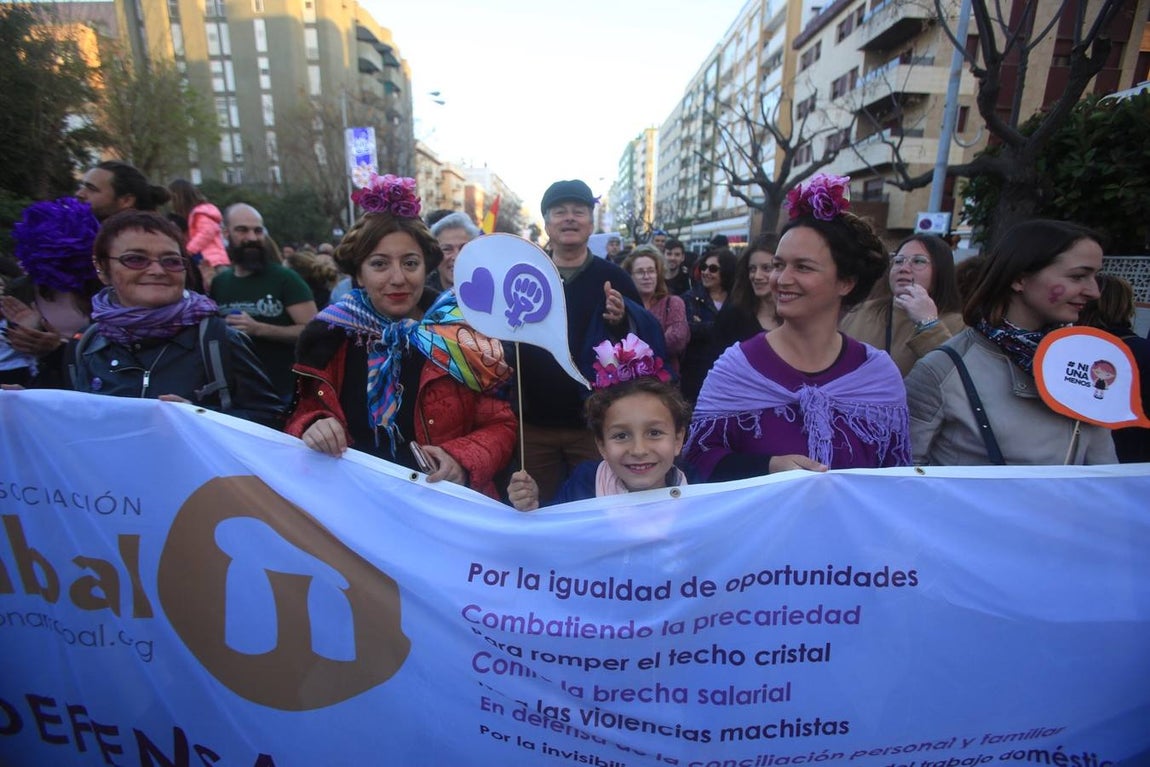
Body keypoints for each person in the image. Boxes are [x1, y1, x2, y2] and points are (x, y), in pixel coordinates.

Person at [285, 174, 517, 500]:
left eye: (410, 263)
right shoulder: (329, 337)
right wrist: (313, 424)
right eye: (379, 264)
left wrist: (460, 459)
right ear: (359, 273)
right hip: (359, 507)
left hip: (446, 507)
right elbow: (300, 411)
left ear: (426, 267)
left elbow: (501, 425)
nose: (398, 278)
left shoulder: (463, 332)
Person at [684, 173, 910, 480]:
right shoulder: (737, 369)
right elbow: (698, 463)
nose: (781, 279)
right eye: (779, 264)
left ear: (846, 281)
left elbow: (895, 477)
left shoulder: (877, 376)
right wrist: (765, 468)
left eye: (802, 267)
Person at [906, 219, 1116, 465]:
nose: (1094, 291)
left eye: (1095, 276)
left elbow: (1104, 474)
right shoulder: (942, 370)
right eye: (1078, 276)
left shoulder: (1089, 367)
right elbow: (906, 476)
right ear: (1019, 279)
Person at [57, 211, 283, 425]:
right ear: (102, 268)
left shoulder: (218, 339)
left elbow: (271, 418)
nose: (157, 270)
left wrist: (200, 417)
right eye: (135, 259)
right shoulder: (86, 346)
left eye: (171, 261)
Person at [518, 179, 665, 504]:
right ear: (546, 222)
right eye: (560, 212)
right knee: (534, 509)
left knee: (597, 508)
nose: (569, 218)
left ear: (591, 221)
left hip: (595, 427)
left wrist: (621, 320)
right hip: (532, 424)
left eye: (579, 211)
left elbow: (643, 347)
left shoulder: (614, 279)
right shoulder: (524, 273)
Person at [508, 334, 690, 509]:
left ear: (678, 440)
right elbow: (559, 528)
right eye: (621, 435)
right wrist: (533, 507)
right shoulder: (584, 484)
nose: (639, 450)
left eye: (654, 433)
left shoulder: (697, 489)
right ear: (601, 445)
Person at [210, 203, 318, 402]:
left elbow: (315, 332)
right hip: (235, 394)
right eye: (242, 230)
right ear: (225, 233)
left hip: (283, 392)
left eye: (258, 231)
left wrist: (259, 329)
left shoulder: (285, 279)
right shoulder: (219, 283)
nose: (251, 238)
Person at [2, 196, 103, 388]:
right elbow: (15, 356)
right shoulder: (21, 289)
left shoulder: (107, 290)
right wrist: (28, 332)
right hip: (47, 392)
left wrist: (59, 347)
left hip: (96, 388)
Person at [839, 233, 964, 376]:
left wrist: (929, 324)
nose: (903, 268)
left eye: (918, 261)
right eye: (898, 261)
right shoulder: (860, 312)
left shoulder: (958, 324)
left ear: (940, 271)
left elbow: (953, 377)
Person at [1077, 274, 1149, 463]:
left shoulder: (1067, 349)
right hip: (1135, 461)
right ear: (1126, 306)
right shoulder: (1142, 351)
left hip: (1075, 461)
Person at [679, 247, 737, 402]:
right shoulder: (690, 298)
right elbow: (689, 330)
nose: (706, 272)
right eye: (703, 267)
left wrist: (706, 325)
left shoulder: (738, 299)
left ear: (726, 271)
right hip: (696, 373)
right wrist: (722, 326)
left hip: (729, 374)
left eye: (713, 269)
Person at [711, 233, 781, 356]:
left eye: (766, 268)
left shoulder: (796, 316)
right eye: (752, 269)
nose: (757, 276)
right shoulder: (733, 315)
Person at [621, 246, 689, 373]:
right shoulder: (623, 306)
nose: (647, 276)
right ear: (630, 276)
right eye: (640, 272)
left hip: (664, 381)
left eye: (651, 271)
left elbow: (677, 340)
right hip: (629, 382)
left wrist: (633, 349)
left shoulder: (673, 303)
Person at [168, 178, 228, 290]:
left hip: (213, 260)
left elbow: (207, 232)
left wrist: (188, 250)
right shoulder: (196, 213)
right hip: (207, 260)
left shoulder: (201, 212)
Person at [75, 160, 170, 221]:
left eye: (92, 189)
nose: (79, 194)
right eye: (82, 186)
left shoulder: (145, 244)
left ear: (126, 200)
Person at [427, 211, 480, 292]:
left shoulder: (492, 294)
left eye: (463, 248)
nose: (456, 257)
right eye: (447, 249)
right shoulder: (420, 299)